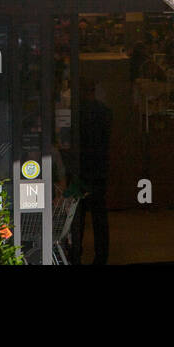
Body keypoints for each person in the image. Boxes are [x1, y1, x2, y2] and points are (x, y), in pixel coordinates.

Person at [72, 78, 112, 265]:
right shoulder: (104, 111)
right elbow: (107, 139)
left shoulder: (76, 112)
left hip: (80, 168)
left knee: (77, 216)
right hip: (98, 168)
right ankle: (101, 256)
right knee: (99, 216)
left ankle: (75, 254)